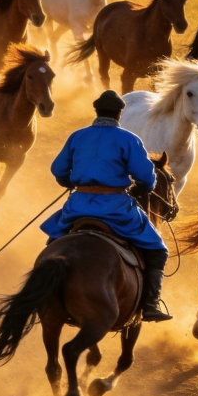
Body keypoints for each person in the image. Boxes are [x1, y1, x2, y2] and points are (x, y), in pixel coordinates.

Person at [41, 89, 172, 322]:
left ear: (96, 111)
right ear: (120, 114)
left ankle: (43, 294)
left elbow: (58, 169)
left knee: (55, 241)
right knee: (158, 249)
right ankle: (150, 304)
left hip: (78, 206)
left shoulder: (77, 136)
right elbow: (147, 177)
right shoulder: (129, 139)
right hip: (116, 209)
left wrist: (72, 182)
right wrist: (142, 188)